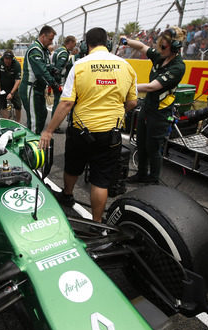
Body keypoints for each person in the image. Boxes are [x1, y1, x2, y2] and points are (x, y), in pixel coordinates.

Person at [39, 27, 137, 222]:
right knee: (100, 180)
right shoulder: (126, 66)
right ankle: (97, 223)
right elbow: (132, 102)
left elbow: (67, 103)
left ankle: (67, 194)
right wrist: (114, 114)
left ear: (86, 44)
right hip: (111, 132)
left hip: (81, 131)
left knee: (73, 166)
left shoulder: (80, 65)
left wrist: (48, 130)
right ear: (107, 43)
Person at [122, 27, 186, 184]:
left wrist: (126, 85)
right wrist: (127, 41)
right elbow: (142, 47)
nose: (160, 49)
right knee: (141, 143)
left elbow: (152, 87)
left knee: (153, 147)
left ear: (175, 47)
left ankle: (153, 179)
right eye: (160, 45)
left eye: (164, 46)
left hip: (161, 112)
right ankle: (142, 174)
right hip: (148, 107)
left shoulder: (178, 67)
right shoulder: (159, 57)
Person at [19, 25, 60, 134]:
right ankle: (32, 148)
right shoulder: (35, 49)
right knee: (34, 121)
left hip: (38, 89)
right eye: (50, 39)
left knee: (42, 115)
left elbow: (45, 66)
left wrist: (53, 69)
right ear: (43, 36)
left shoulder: (44, 50)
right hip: (30, 88)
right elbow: (40, 71)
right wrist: (54, 84)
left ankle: (35, 143)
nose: (51, 42)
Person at [51, 35, 76, 131]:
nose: (74, 47)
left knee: (57, 102)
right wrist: (59, 83)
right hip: (58, 81)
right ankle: (55, 126)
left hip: (55, 80)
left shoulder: (58, 50)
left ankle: (55, 124)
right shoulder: (64, 53)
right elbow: (58, 69)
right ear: (69, 43)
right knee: (58, 103)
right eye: (73, 44)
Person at [0, 50, 22, 122]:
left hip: (13, 87)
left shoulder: (16, 65)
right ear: (3, 58)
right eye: (6, 59)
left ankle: (18, 122)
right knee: (2, 104)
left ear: (12, 59)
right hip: (2, 87)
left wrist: (12, 93)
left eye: (9, 59)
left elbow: (18, 80)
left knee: (18, 105)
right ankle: (6, 121)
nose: (8, 61)